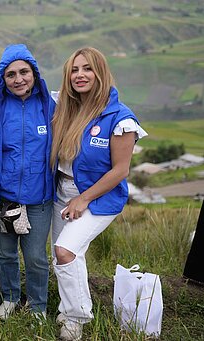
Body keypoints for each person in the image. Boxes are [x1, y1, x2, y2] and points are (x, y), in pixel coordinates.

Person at [50, 47, 147, 340]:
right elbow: (26, 89)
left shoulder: (120, 118)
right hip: (60, 191)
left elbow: (120, 170)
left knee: (64, 251)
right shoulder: (65, 105)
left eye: (87, 69)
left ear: (100, 73)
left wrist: (83, 199)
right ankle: (68, 307)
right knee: (67, 254)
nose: (80, 75)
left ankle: (77, 317)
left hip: (98, 197)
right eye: (74, 70)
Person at [0, 44, 55, 321]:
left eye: (24, 72)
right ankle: (9, 298)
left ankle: (37, 306)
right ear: (2, 79)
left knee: (35, 257)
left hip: (38, 197)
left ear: (34, 73)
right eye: (10, 75)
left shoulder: (49, 106)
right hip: (0, 195)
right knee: (5, 253)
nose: (18, 79)